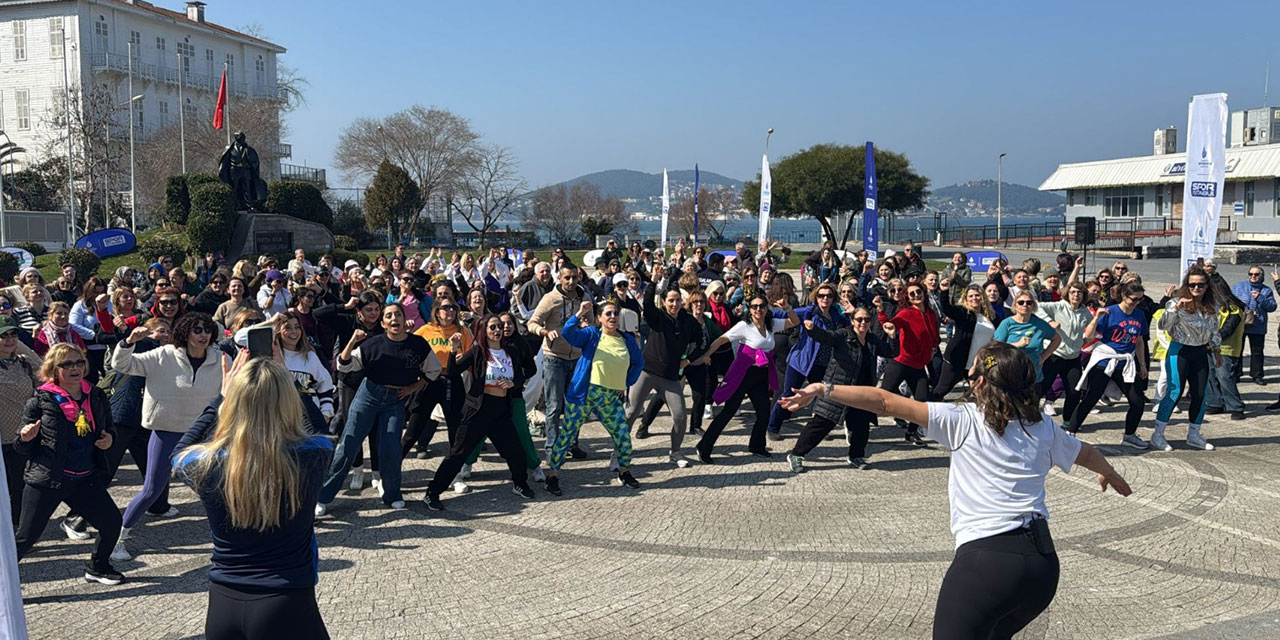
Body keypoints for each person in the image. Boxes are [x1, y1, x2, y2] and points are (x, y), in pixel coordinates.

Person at [780, 342, 1132, 640]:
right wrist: (1109, 472)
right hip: (1042, 567)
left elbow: (884, 402)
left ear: (981, 383)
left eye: (974, 372)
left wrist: (823, 389)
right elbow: (1085, 452)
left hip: (987, 565)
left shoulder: (963, 420)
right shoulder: (1042, 428)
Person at [173, 354, 333, 640]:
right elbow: (321, 431)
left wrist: (220, 400)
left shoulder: (206, 465)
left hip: (224, 604)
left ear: (234, 403)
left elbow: (178, 453)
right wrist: (292, 385)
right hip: (287, 602)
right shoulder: (312, 456)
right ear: (289, 402)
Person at [107, 313, 223, 561]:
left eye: (207, 330)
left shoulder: (220, 359)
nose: (203, 335)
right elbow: (123, 365)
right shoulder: (162, 355)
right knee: (152, 489)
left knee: (214, 488)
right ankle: (118, 539)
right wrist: (128, 342)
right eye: (197, 330)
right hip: (166, 431)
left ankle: (226, 539)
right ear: (184, 333)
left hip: (204, 433)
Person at [14, 343, 126, 585]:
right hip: (49, 479)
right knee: (26, 537)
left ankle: (98, 567)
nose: (75, 368)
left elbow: (109, 427)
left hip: (85, 478)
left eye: (79, 362)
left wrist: (109, 438)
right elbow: (21, 447)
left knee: (112, 523)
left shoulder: (95, 395)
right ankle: (5, 583)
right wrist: (25, 438)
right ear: (54, 370)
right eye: (66, 364)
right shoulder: (40, 400)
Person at [316, 303, 442, 514]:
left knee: (391, 447)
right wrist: (352, 341)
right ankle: (323, 496)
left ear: (404, 319)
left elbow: (433, 370)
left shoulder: (418, 344)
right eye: (389, 316)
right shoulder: (372, 344)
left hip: (395, 400)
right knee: (349, 444)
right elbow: (344, 366)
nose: (394, 319)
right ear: (383, 323)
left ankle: (392, 494)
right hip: (369, 395)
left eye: (398, 315)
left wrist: (414, 386)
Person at [424, 314, 538, 509]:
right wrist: (453, 349)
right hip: (478, 410)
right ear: (483, 331)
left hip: (502, 410)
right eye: (493, 327)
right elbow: (453, 371)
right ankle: (432, 492)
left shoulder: (511, 351)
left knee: (516, 452)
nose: (497, 330)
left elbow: (522, 374)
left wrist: (513, 383)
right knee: (458, 453)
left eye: (499, 326)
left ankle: (520, 484)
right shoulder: (477, 351)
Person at [545, 299, 644, 496]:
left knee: (623, 436)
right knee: (567, 435)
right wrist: (579, 313)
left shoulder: (627, 339)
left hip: (609, 397)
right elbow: (568, 333)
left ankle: (624, 472)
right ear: (599, 318)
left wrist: (625, 382)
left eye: (615, 313)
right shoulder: (592, 334)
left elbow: (638, 363)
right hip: (584, 393)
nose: (613, 317)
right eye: (608, 313)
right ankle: (553, 475)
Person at [787, 307, 898, 472]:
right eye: (859, 319)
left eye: (867, 320)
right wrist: (812, 329)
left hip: (862, 391)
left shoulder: (872, 340)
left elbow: (892, 351)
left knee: (861, 426)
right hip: (838, 387)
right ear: (852, 321)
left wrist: (892, 336)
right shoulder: (843, 335)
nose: (863, 323)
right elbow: (826, 337)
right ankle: (796, 454)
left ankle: (856, 456)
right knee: (822, 423)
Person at [692, 292, 799, 463]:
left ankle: (756, 446)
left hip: (761, 374)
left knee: (764, 413)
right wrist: (706, 355)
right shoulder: (744, 326)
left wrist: (787, 308)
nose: (758, 309)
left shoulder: (771, 324)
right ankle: (704, 446)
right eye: (754, 306)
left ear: (766, 308)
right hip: (743, 374)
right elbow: (722, 339)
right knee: (728, 412)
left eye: (762, 306)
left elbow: (794, 322)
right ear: (749, 309)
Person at [623, 277, 702, 467]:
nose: (674, 304)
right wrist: (653, 282)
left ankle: (675, 452)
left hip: (670, 376)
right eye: (670, 300)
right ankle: (619, 452)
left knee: (680, 416)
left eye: (677, 300)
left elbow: (700, 343)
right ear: (664, 302)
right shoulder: (657, 318)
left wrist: (688, 359)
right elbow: (648, 304)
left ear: (682, 301)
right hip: (647, 371)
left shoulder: (689, 321)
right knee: (632, 412)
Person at [1068, 282, 1150, 446]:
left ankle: (1129, 436)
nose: (1136, 303)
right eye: (1134, 299)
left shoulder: (1139, 315)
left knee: (1137, 400)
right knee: (1091, 398)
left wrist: (1142, 364)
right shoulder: (1109, 312)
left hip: (1125, 362)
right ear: (1124, 296)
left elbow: (1139, 341)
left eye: (1140, 300)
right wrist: (1096, 318)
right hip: (1105, 360)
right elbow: (1089, 335)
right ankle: (1070, 433)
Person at [766, 282, 849, 439]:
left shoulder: (837, 316)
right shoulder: (809, 311)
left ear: (834, 298)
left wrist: (851, 313)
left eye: (829, 296)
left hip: (823, 364)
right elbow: (781, 315)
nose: (825, 298)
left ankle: (818, 430)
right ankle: (772, 427)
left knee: (822, 398)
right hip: (801, 361)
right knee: (788, 395)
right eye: (821, 295)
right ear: (816, 297)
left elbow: (850, 330)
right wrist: (781, 309)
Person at [528, 266, 593, 459]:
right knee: (554, 406)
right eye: (567, 278)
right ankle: (552, 448)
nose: (571, 282)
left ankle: (572, 444)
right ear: (560, 278)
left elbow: (592, 323)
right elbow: (532, 323)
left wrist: (587, 326)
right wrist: (545, 332)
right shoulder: (550, 298)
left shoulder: (585, 298)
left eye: (574, 277)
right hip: (554, 357)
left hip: (578, 358)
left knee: (575, 405)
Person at [1152, 266, 1220, 451]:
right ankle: (1158, 435)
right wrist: (1175, 309)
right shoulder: (1175, 302)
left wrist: (1217, 351)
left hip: (1200, 352)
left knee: (1200, 394)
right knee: (1174, 392)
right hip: (1180, 351)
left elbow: (1214, 329)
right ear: (1186, 285)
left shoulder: (1211, 305)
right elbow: (1163, 325)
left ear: (1207, 286)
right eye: (1192, 285)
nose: (1196, 288)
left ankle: (1194, 434)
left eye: (1200, 285)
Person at [404, 297, 472, 465]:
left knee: (455, 429)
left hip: (453, 380)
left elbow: (472, 356)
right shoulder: (426, 330)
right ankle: (391, 469)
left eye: (453, 307)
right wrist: (407, 332)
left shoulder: (462, 331)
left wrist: (463, 358)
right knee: (414, 429)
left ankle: (455, 471)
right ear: (436, 311)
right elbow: (408, 351)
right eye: (446, 307)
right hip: (429, 380)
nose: (450, 311)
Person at [881, 282, 941, 446]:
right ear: (907, 298)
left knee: (922, 400)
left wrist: (933, 348)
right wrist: (888, 324)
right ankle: (857, 422)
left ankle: (911, 432)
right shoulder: (906, 313)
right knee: (882, 396)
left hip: (918, 366)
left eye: (918, 292)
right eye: (912, 294)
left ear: (924, 293)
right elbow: (893, 323)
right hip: (901, 362)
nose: (916, 296)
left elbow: (934, 336)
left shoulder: (931, 314)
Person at [0, 316, 40, 526]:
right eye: (3, 335)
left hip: (25, 433)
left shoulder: (24, 362)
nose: (9, 339)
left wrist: (21, 346)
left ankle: (19, 528)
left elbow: (46, 373)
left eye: (13, 334)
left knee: (21, 484)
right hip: (2, 437)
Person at [1035, 282, 1093, 419]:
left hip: (1073, 357)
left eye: (1079, 292)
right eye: (1073, 292)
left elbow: (1092, 328)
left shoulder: (1085, 312)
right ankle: (1030, 417)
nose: (1076, 295)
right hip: (1055, 355)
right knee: (1041, 388)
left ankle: (1068, 422)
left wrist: (1085, 340)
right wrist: (1049, 321)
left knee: (1074, 392)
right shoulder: (1058, 306)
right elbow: (1036, 307)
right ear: (1068, 294)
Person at [931, 282, 996, 400]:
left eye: (977, 295)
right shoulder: (964, 313)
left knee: (982, 392)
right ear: (966, 299)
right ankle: (925, 407)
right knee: (942, 389)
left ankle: (985, 411)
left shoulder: (990, 316)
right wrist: (944, 291)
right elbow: (947, 309)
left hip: (977, 362)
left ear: (982, 297)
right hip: (957, 360)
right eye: (970, 296)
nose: (974, 298)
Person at [276, 311, 336, 423]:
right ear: (278, 330)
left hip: (310, 419)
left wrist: (326, 413)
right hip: (281, 419)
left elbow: (325, 385)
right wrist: (270, 322)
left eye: (297, 327)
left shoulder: (310, 356)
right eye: (288, 328)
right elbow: (242, 337)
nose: (294, 332)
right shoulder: (272, 357)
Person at [993, 291, 1061, 388]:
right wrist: (1017, 345)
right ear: (1015, 305)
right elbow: (996, 346)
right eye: (1021, 302)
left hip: (1034, 376)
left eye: (1029, 303)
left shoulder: (1040, 324)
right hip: (1011, 376)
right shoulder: (1007, 323)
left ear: (1033, 306)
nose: (1025, 305)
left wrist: (1044, 356)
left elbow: (1057, 339)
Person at [1205, 275, 1247, 421]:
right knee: (1209, 375)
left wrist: (1211, 338)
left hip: (1226, 349)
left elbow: (1228, 329)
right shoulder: (1209, 305)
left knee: (1224, 377)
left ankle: (1236, 406)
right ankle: (1215, 402)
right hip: (1209, 347)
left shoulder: (1234, 308)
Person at [1234, 266, 1275, 384]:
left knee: (1257, 351)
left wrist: (1260, 298)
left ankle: (1257, 375)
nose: (1253, 276)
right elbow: (1230, 301)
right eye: (1250, 274)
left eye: (1256, 274)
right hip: (1240, 324)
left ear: (1262, 276)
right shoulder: (1239, 287)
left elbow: (1272, 307)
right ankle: (1236, 374)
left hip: (1258, 325)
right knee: (1237, 350)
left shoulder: (1266, 290)